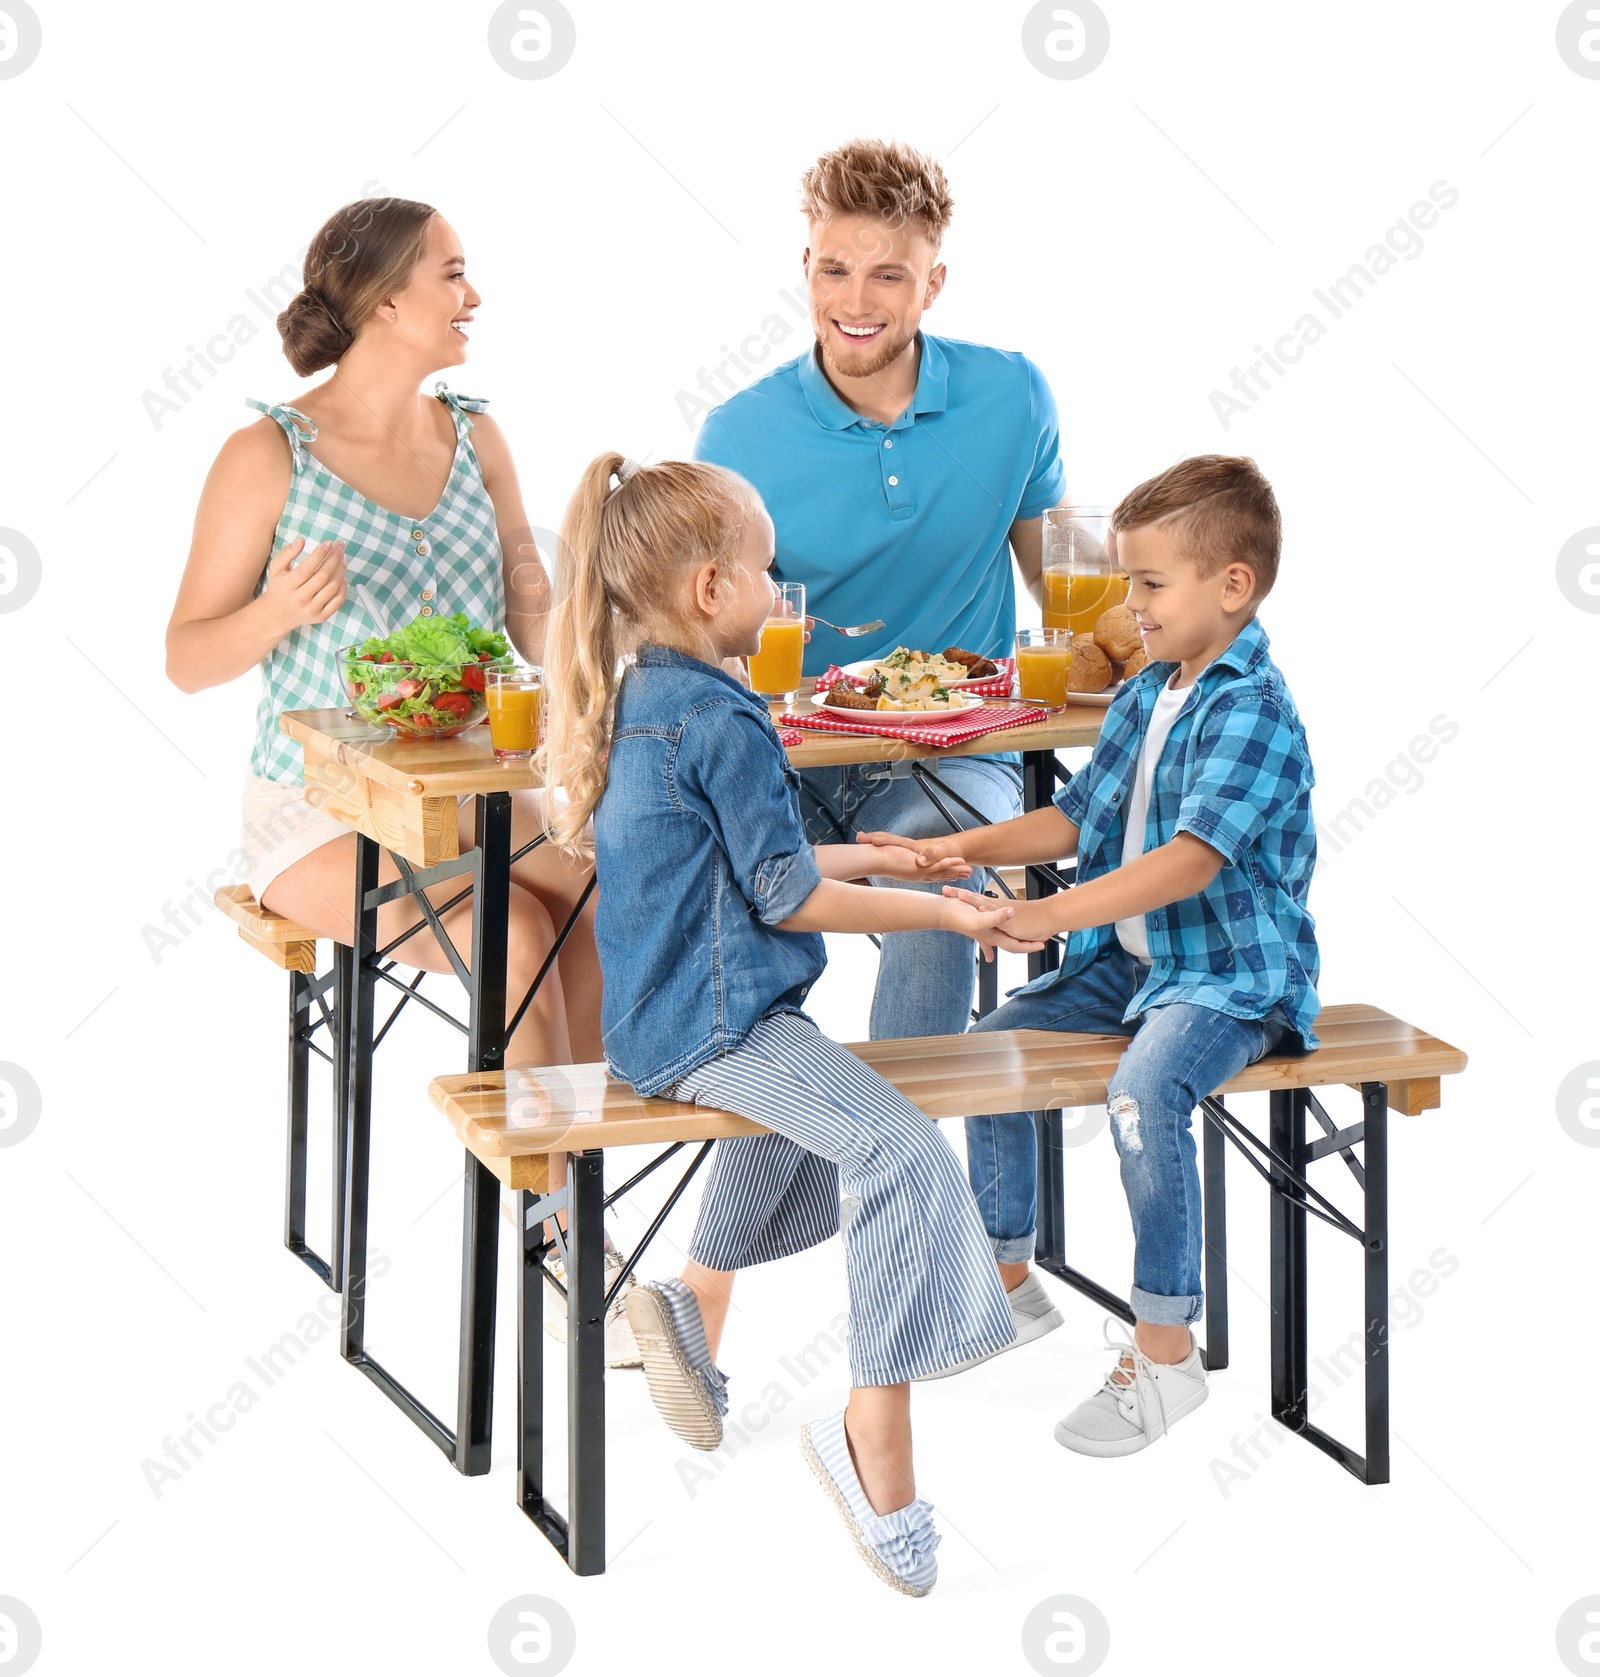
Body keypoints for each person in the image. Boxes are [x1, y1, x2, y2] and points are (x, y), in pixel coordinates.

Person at [539, 449, 1044, 1594]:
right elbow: (785, 897)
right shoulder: (720, 717)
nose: (782, 595)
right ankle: (873, 1430)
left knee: (821, 1117)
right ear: (711, 590)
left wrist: (885, 849)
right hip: (717, 1029)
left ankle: (690, 1306)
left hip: (672, 1018)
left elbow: (756, 862)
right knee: (898, 1146)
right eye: (767, 573)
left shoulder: (650, 700)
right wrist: (947, 913)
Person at [166, 199, 634, 1361]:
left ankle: (572, 1186)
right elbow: (185, 656)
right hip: (317, 810)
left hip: (478, 791)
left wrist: (604, 636)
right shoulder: (268, 453)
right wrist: (277, 611)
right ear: (384, 303)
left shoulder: (477, 436)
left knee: (586, 888)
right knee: (511, 938)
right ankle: (567, 1228)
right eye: (453, 275)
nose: (472, 297)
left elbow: (531, 602)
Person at [688, 136, 1076, 1350]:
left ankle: (911, 1241)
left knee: (942, 891)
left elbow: (1065, 581)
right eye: (832, 269)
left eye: (886, 277)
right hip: (791, 752)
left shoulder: (1010, 393)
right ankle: (709, 1289)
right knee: (745, 946)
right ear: (805, 263)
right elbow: (711, 638)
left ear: (933, 284)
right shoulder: (740, 428)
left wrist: (1143, 635)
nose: (854, 303)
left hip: (953, 741)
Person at [870, 455, 1320, 1451]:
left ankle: (1163, 1348)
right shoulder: (1147, 692)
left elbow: (1186, 865)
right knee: (994, 1048)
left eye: (1150, 584)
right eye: (1129, 581)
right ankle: (1006, 1276)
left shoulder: (1250, 709)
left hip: (1227, 974)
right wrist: (961, 847)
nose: (1130, 606)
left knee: (1143, 1092)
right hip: (1129, 965)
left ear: (1231, 586)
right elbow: (1076, 815)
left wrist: (1049, 915)